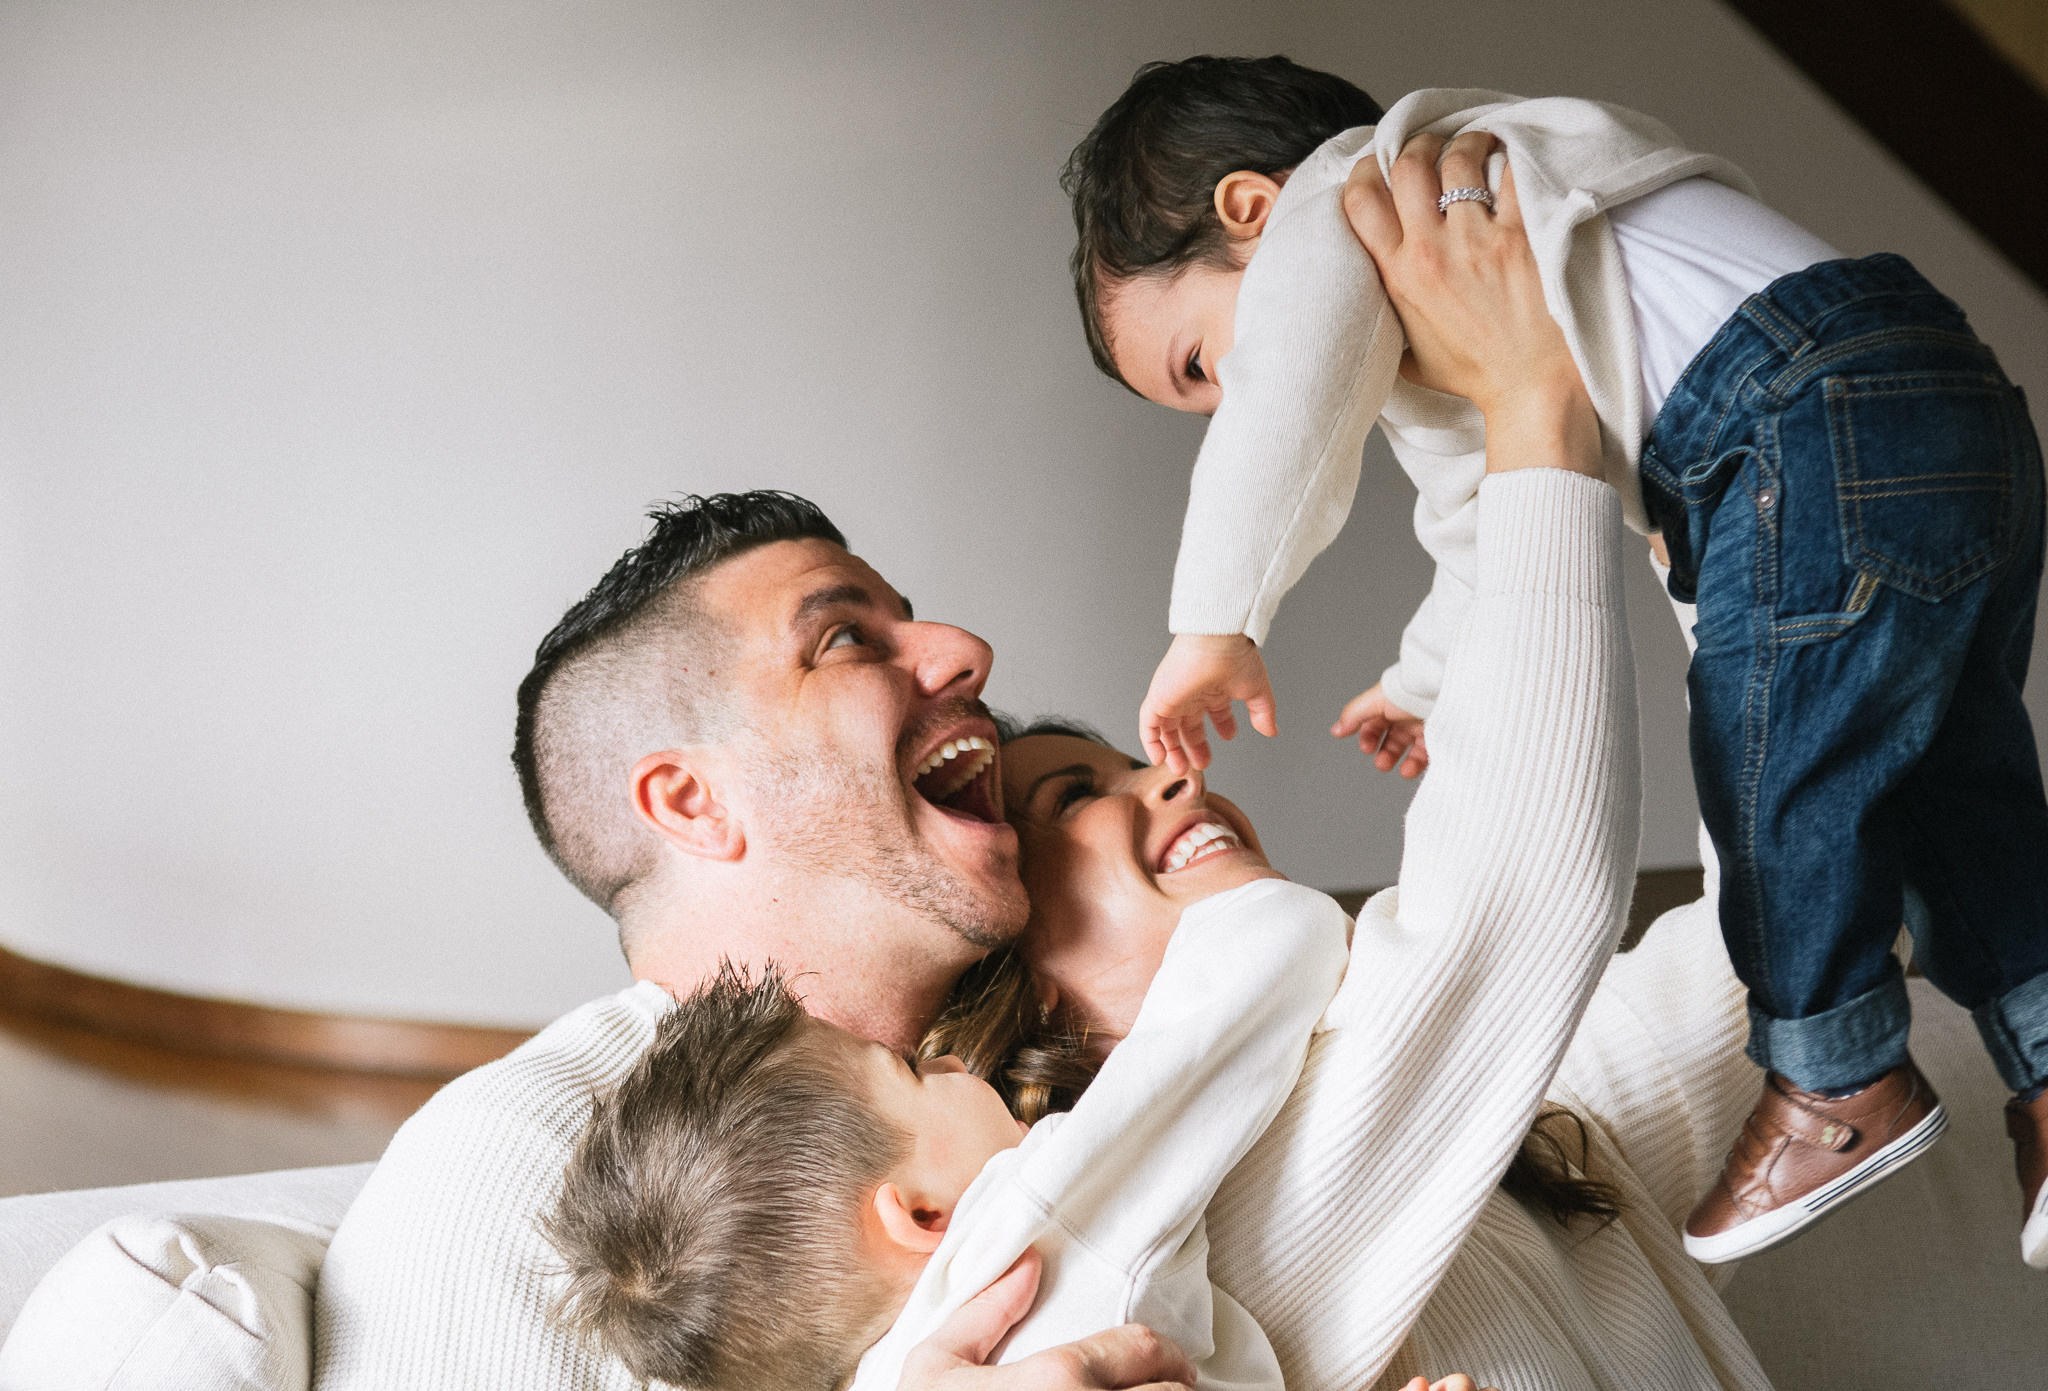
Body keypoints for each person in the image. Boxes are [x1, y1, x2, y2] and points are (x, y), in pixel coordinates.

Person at [1064, 53, 2048, 1265]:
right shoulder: (1494, 220)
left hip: (1796, 416)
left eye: (1199, 366)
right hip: (1935, 391)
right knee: (1952, 785)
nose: (1233, 401)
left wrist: (1214, 623)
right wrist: (1422, 680)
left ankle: (1834, 1079)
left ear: (1247, 210)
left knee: (1767, 769)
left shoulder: (1352, 195)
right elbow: (1491, 509)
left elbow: (1284, 415)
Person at [311, 492, 1198, 1391]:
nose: (966, 649)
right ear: (693, 802)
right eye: (845, 639)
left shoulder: (1063, 1046)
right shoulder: (512, 1171)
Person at [541, 873, 1344, 1391]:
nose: (955, 1058)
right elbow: (1266, 962)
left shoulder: (884, 1375)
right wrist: (1238, 906)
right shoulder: (1034, 1218)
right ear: (923, 1211)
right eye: (911, 1069)